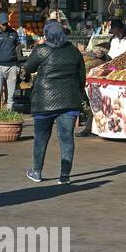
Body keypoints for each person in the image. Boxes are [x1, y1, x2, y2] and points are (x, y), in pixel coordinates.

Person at [23, 21, 87, 184]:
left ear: (47, 34)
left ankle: (36, 171)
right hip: (69, 101)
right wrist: (78, 95)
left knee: (41, 138)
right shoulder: (73, 51)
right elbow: (81, 76)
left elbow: (28, 68)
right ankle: (64, 176)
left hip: (44, 102)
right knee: (67, 139)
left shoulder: (41, 50)